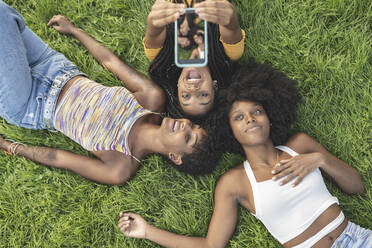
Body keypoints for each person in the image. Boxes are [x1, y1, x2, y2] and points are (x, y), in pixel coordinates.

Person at [118, 62, 371, 247]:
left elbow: (357, 187)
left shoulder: (300, 144)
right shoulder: (234, 183)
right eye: (239, 117)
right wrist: (147, 231)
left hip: (360, 238)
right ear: (232, 130)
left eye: (257, 111)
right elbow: (211, 246)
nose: (250, 119)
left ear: (269, 117)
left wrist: (320, 159)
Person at [0, 1, 219, 185]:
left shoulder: (119, 167)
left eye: (188, 137)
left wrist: (10, 146)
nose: (184, 125)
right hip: (54, 66)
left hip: (30, 102)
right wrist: (74, 30)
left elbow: (60, 158)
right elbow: (110, 61)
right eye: (192, 124)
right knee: (6, 15)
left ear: (175, 156)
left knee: (4, 16)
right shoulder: (152, 99)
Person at [144, 0, 245, 119]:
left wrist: (154, 24)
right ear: (215, 86)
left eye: (185, 96)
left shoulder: (159, 58)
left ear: (177, 87)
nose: (193, 89)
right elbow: (231, 27)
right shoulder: (230, 55)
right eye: (203, 95)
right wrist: (230, 16)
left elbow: (154, 33)